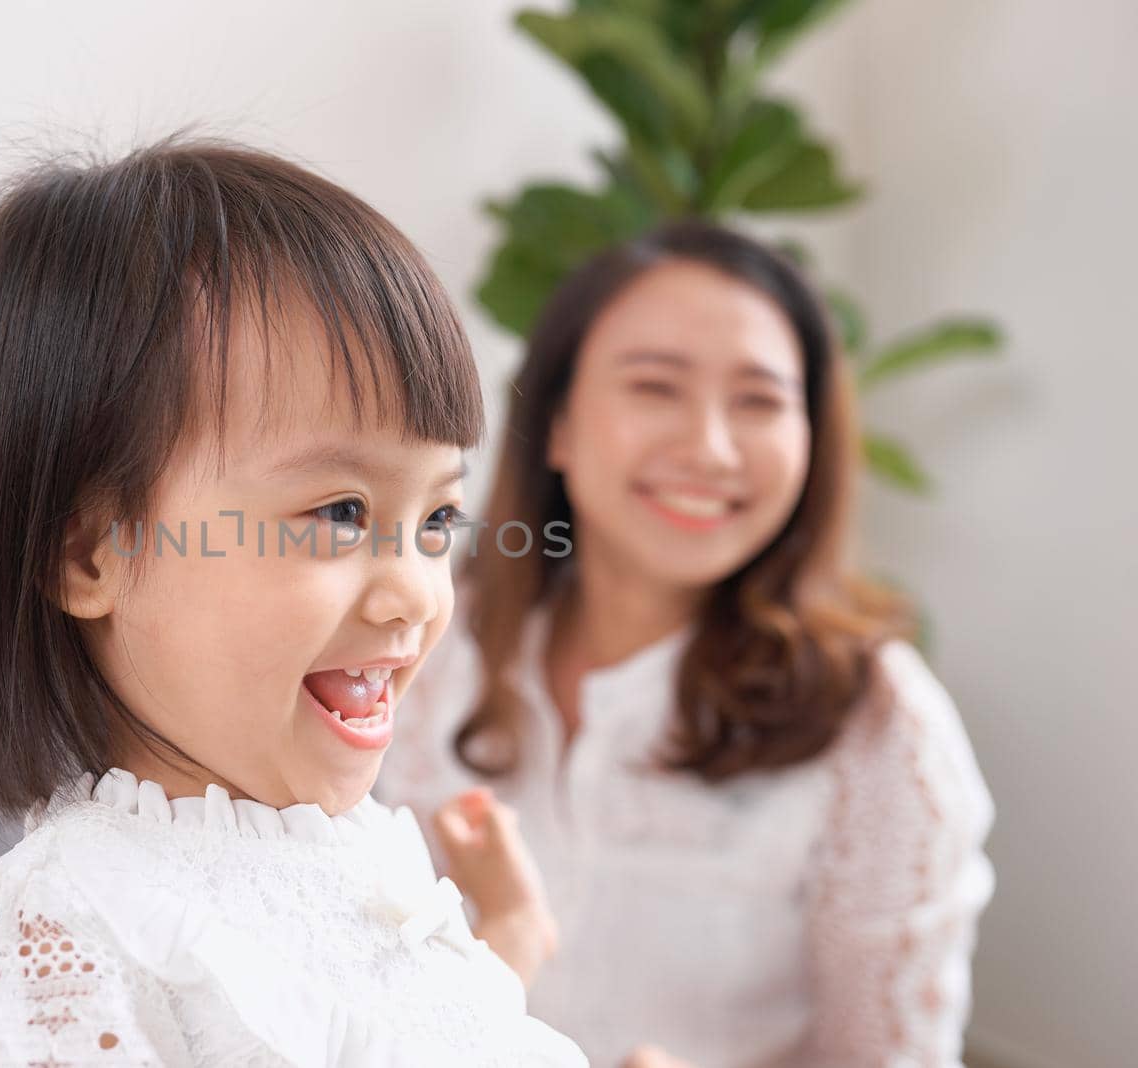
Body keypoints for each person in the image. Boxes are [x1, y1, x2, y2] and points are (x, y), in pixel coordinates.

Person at [0, 138, 585, 1067]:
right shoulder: (76, 919)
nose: (417, 593)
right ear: (91, 552)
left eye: (439, 519)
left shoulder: (354, 847)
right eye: (341, 512)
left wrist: (505, 933)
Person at [384, 221, 995, 1068]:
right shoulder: (418, 643)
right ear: (555, 423)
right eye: (655, 387)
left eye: (760, 402)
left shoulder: (879, 724)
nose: (709, 448)